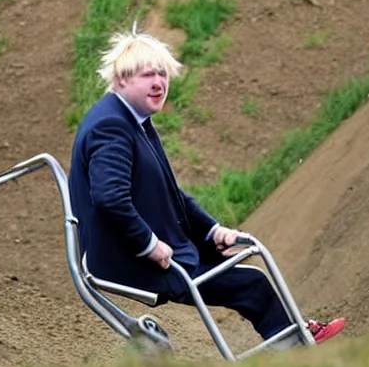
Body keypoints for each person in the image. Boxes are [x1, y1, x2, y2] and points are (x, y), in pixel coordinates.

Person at [68, 28, 344, 346]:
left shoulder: (134, 121)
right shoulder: (112, 126)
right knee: (252, 283)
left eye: (162, 74)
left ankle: (292, 338)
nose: (159, 83)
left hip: (150, 248)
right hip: (129, 260)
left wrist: (212, 231)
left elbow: (172, 195)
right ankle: (293, 348)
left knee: (247, 270)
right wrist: (149, 245)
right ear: (121, 81)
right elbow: (110, 199)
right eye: (147, 75)